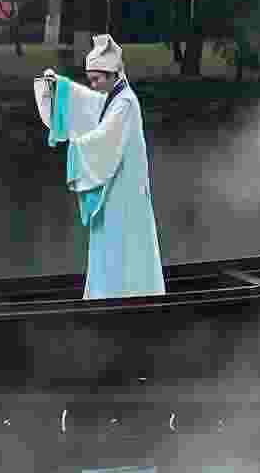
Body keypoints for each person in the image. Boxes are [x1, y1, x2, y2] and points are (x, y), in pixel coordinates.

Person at [35, 35, 165, 298]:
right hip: (116, 184)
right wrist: (60, 87)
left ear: (113, 74)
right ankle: (109, 292)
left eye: (96, 79)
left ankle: (129, 293)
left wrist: (77, 148)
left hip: (125, 186)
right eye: (90, 79)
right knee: (111, 236)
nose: (93, 85)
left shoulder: (125, 103)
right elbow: (89, 102)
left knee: (122, 237)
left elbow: (105, 136)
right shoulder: (115, 97)